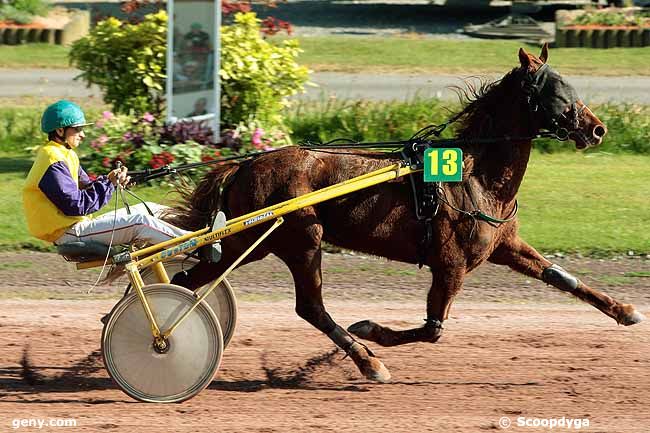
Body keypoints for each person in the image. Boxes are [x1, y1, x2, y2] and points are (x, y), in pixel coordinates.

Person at [23, 100, 192, 250]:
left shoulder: (64, 154)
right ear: (60, 131)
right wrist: (109, 183)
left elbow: (88, 186)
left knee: (149, 207)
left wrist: (113, 180)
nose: (83, 134)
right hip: (68, 233)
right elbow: (76, 205)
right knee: (140, 222)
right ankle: (195, 245)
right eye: (78, 129)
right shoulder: (52, 158)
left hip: (77, 226)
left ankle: (196, 225)